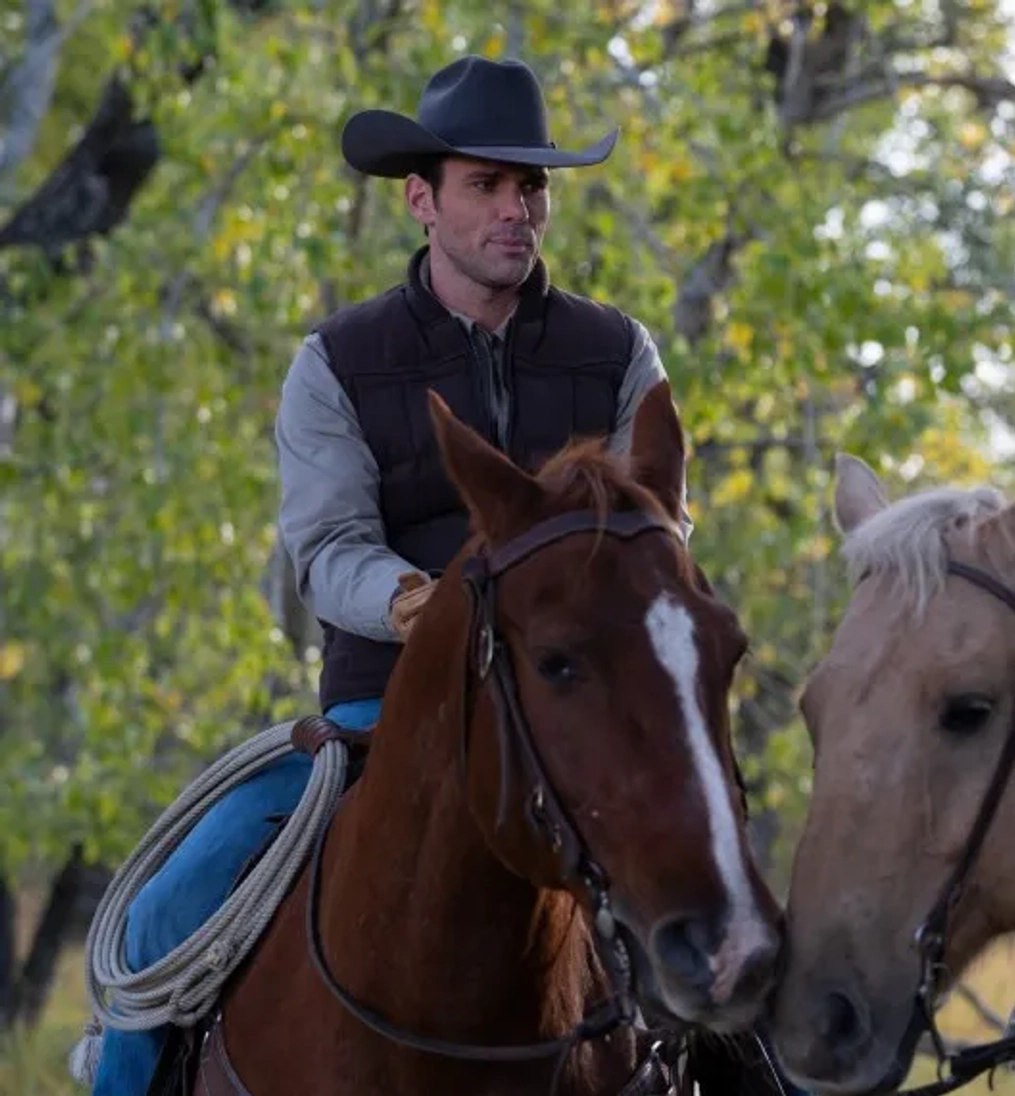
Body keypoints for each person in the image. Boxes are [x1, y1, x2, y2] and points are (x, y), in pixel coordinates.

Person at [92, 55, 679, 1096]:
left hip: (575, 725)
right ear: (422, 199)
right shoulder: (336, 361)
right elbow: (326, 548)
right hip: (382, 711)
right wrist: (423, 604)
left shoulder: (617, 353)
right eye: (486, 185)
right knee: (162, 917)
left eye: (530, 185)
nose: (516, 209)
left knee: (738, 928)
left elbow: (656, 535)